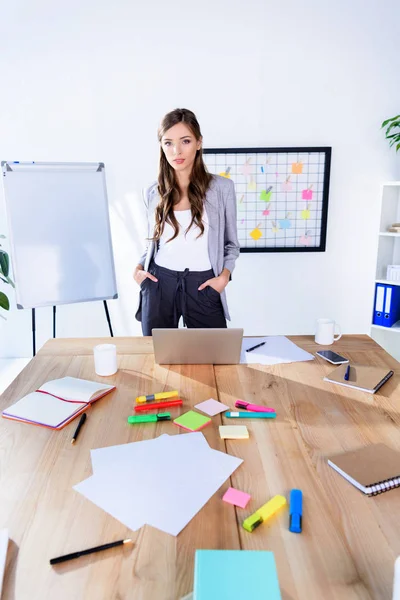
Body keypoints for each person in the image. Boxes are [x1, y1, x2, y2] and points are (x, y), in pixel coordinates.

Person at [134, 108, 240, 336]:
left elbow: (231, 244)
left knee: (214, 358)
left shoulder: (222, 189)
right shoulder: (152, 192)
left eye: (185, 141)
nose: (177, 151)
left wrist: (224, 277)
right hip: (159, 283)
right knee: (158, 359)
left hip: (203, 283)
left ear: (199, 143)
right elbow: (151, 243)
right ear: (161, 147)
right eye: (168, 143)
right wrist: (139, 269)